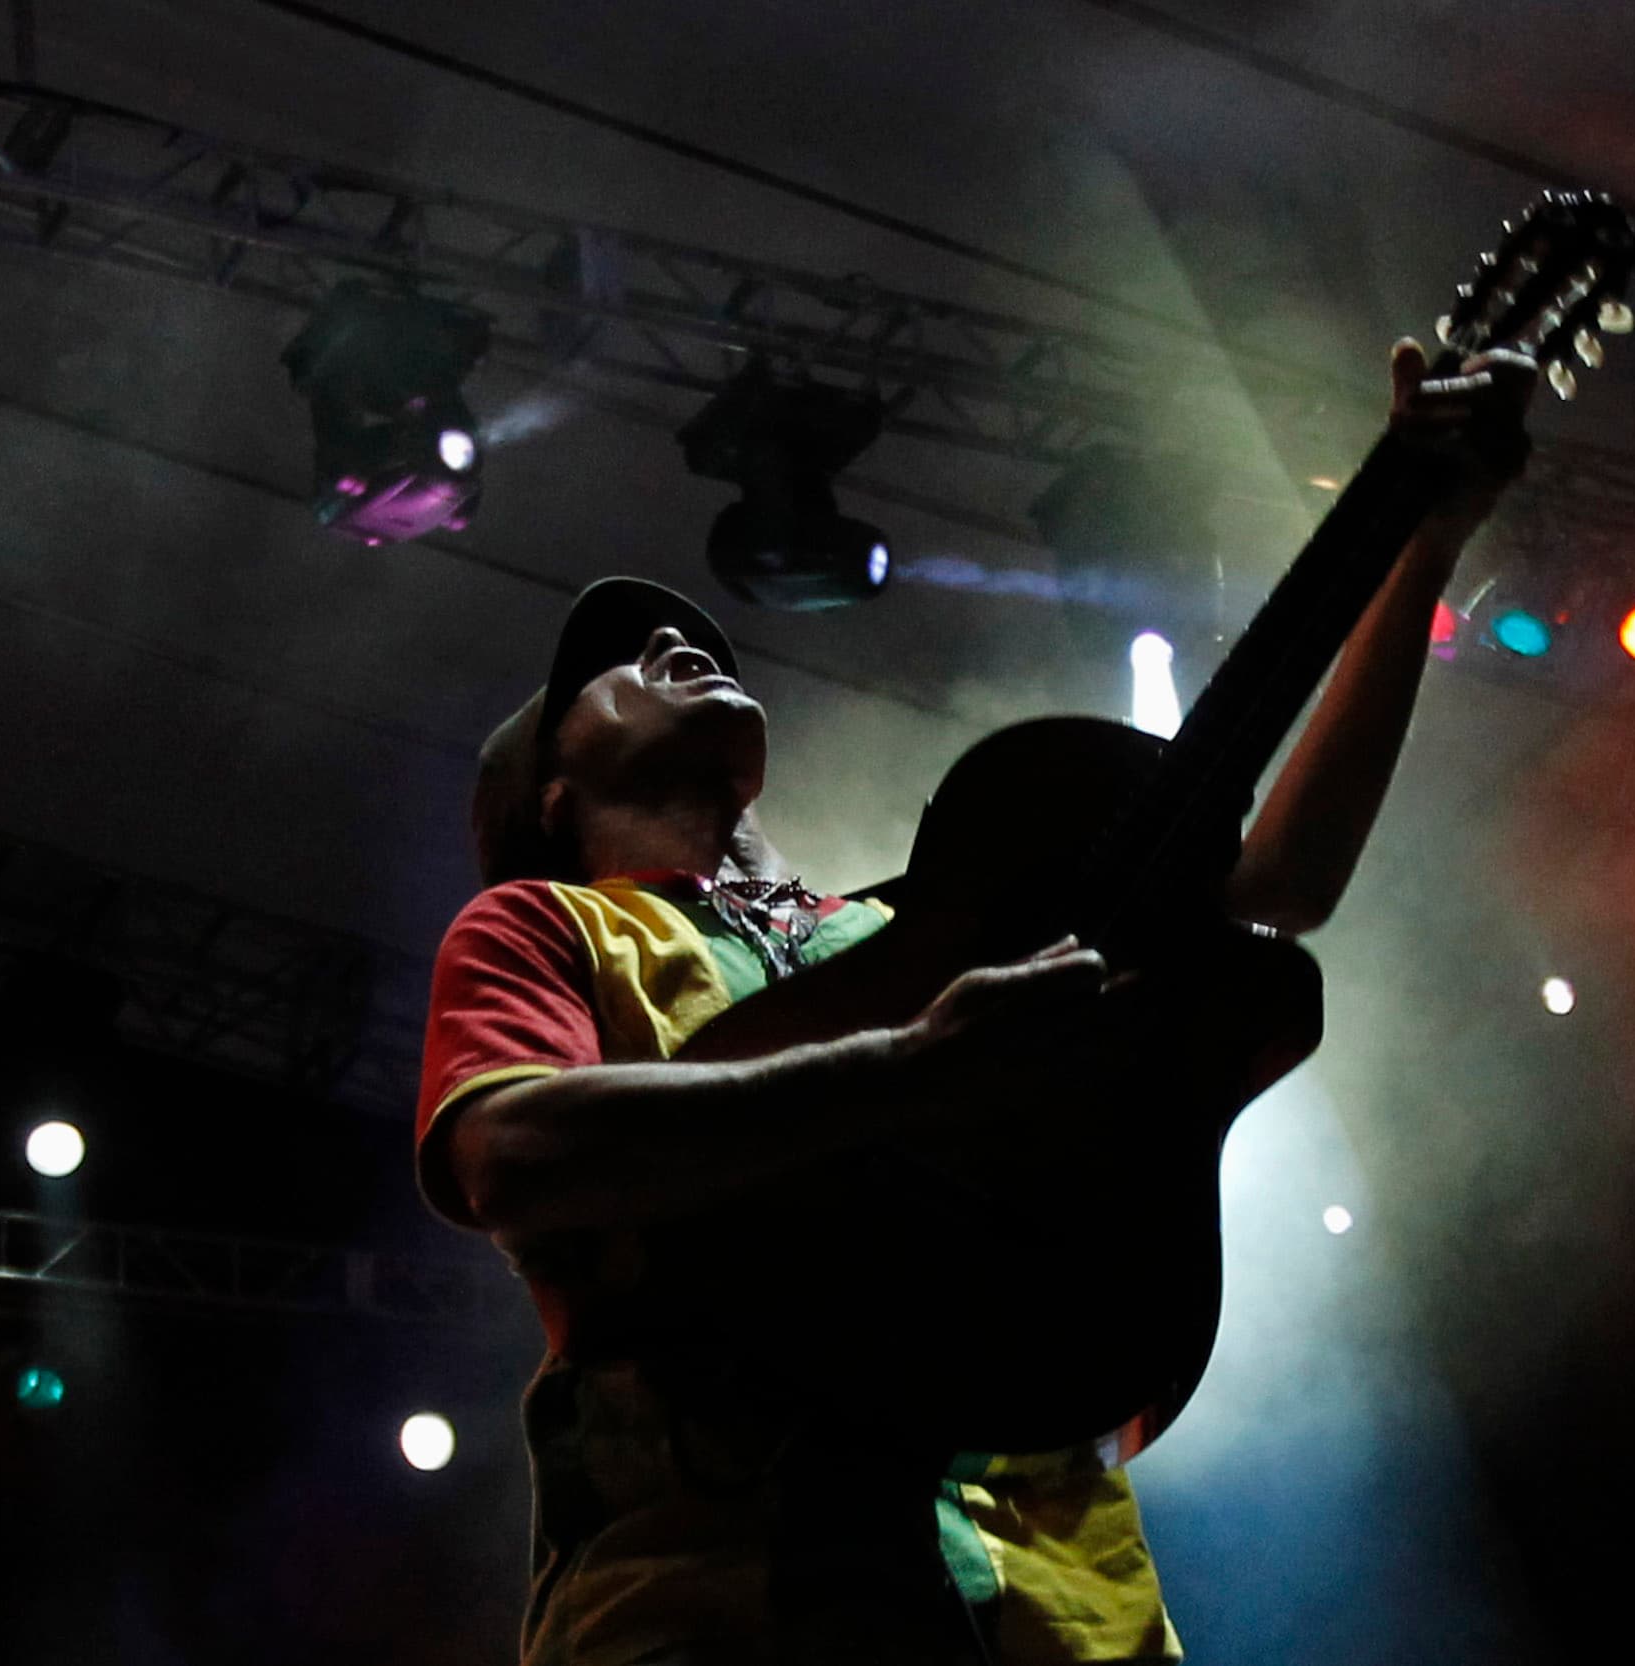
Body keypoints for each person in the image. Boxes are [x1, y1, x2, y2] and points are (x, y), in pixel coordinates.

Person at [415, 339, 1535, 1666]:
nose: (671, 639)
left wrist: (1420, 538)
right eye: (610, 665)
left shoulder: (907, 932)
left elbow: (1274, 882)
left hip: (1062, 1606)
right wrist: (907, 1072)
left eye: (686, 636)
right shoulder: (542, 925)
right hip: (723, 1600)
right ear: (547, 793)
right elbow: (511, 1153)